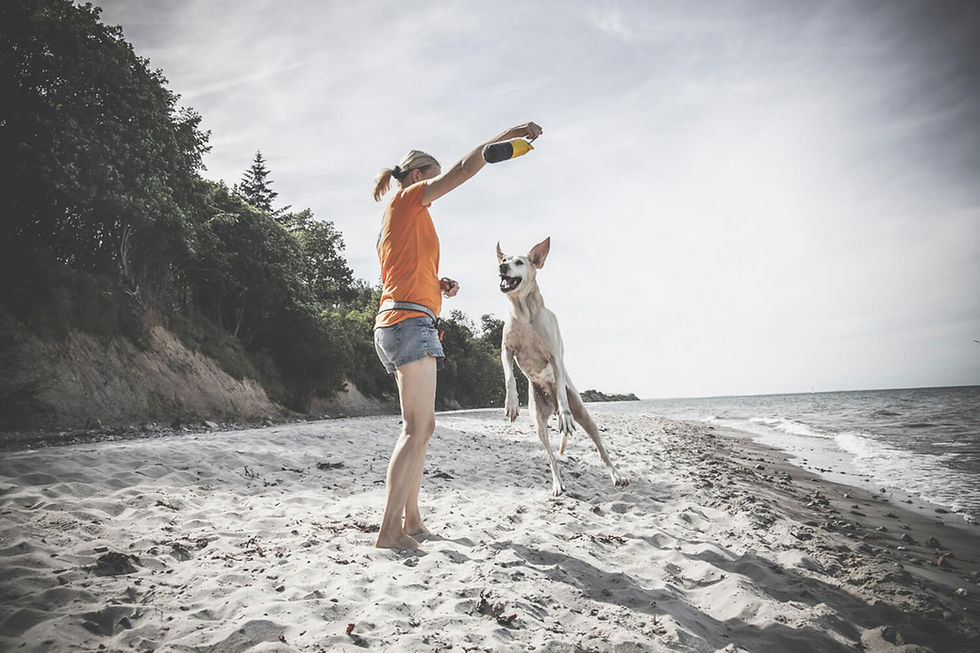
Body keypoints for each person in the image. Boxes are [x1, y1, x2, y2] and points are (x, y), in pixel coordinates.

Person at [371, 121, 543, 550]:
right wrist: (509, 135)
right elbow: (467, 168)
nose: (436, 184)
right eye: (433, 175)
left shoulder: (404, 219)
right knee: (418, 428)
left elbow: (402, 273)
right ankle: (389, 532)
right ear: (416, 175)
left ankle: (411, 521)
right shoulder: (409, 200)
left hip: (403, 321)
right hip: (409, 325)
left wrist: (437, 282)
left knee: (421, 429)